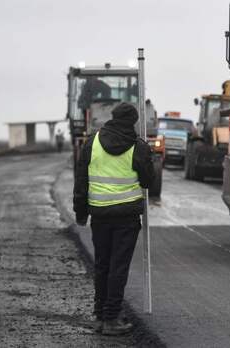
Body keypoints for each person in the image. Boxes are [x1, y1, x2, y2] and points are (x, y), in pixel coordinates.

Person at [73, 102, 155, 336]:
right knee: (118, 267)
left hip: (99, 215)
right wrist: (147, 161)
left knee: (102, 265)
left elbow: (81, 180)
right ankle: (111, 318)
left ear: (113, 117)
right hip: (126, 217)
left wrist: (80, 211)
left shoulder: (92, 142)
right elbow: (147, 181)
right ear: (133, 121)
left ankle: (100, 315)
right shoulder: (138, 147)